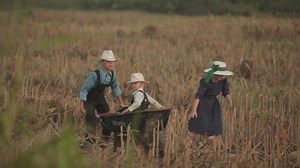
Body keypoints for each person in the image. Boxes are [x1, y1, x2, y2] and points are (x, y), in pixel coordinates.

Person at [188, 61, 233, 158]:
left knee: (214, 124)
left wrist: (230, 101)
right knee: (198, 123)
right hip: (203, 104)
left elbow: (225, 92)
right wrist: (194, 110)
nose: (221, 77)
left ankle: (212, 149)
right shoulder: (205, 82)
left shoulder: (223, 82)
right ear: (214, 73)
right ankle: (190, 146)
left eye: (222, 75)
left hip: (214, 105)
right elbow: (198, 96)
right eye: (220, 75)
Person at [79, 49, 125, 144]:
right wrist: (81, 106)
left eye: (112, 62)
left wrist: (121, 103)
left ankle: (103, 142)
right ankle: (88, 144)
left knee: (108, 119)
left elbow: (116, 89)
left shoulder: (112, 75)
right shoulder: (94, 75)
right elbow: (84, 90)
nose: (110, 64)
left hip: (100, 99)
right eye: (108, 61)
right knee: (91, 121)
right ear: (102, 62)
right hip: (89, 99)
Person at [122, 72, 165, 157]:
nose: (133, 85)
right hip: (143, 117)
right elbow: (153, 101)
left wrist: (128, 109)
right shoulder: (144, 94)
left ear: (142, 84)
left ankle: (142, 149)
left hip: (138, 118)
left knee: (138, 134)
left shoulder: (138, 94)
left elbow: (137, 103)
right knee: (142, 134)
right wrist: (160, 107)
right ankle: (148, 149)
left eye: (135, 83)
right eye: (132, 83)